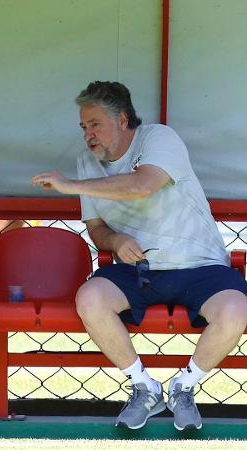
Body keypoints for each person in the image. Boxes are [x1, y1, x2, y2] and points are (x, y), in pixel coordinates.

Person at [32, 81, 247, 431]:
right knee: (90, 298)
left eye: (96, 124)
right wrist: (115, 241)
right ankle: (143, 387)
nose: (89, 135)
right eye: (84, 127)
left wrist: (70, 185)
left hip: (199, 265)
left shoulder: (158, 138)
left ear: (123, 119)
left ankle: (184, 388)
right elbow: (96, 228)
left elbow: (142, 185)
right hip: (139, 268)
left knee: (236, 309)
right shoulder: (86, 162)